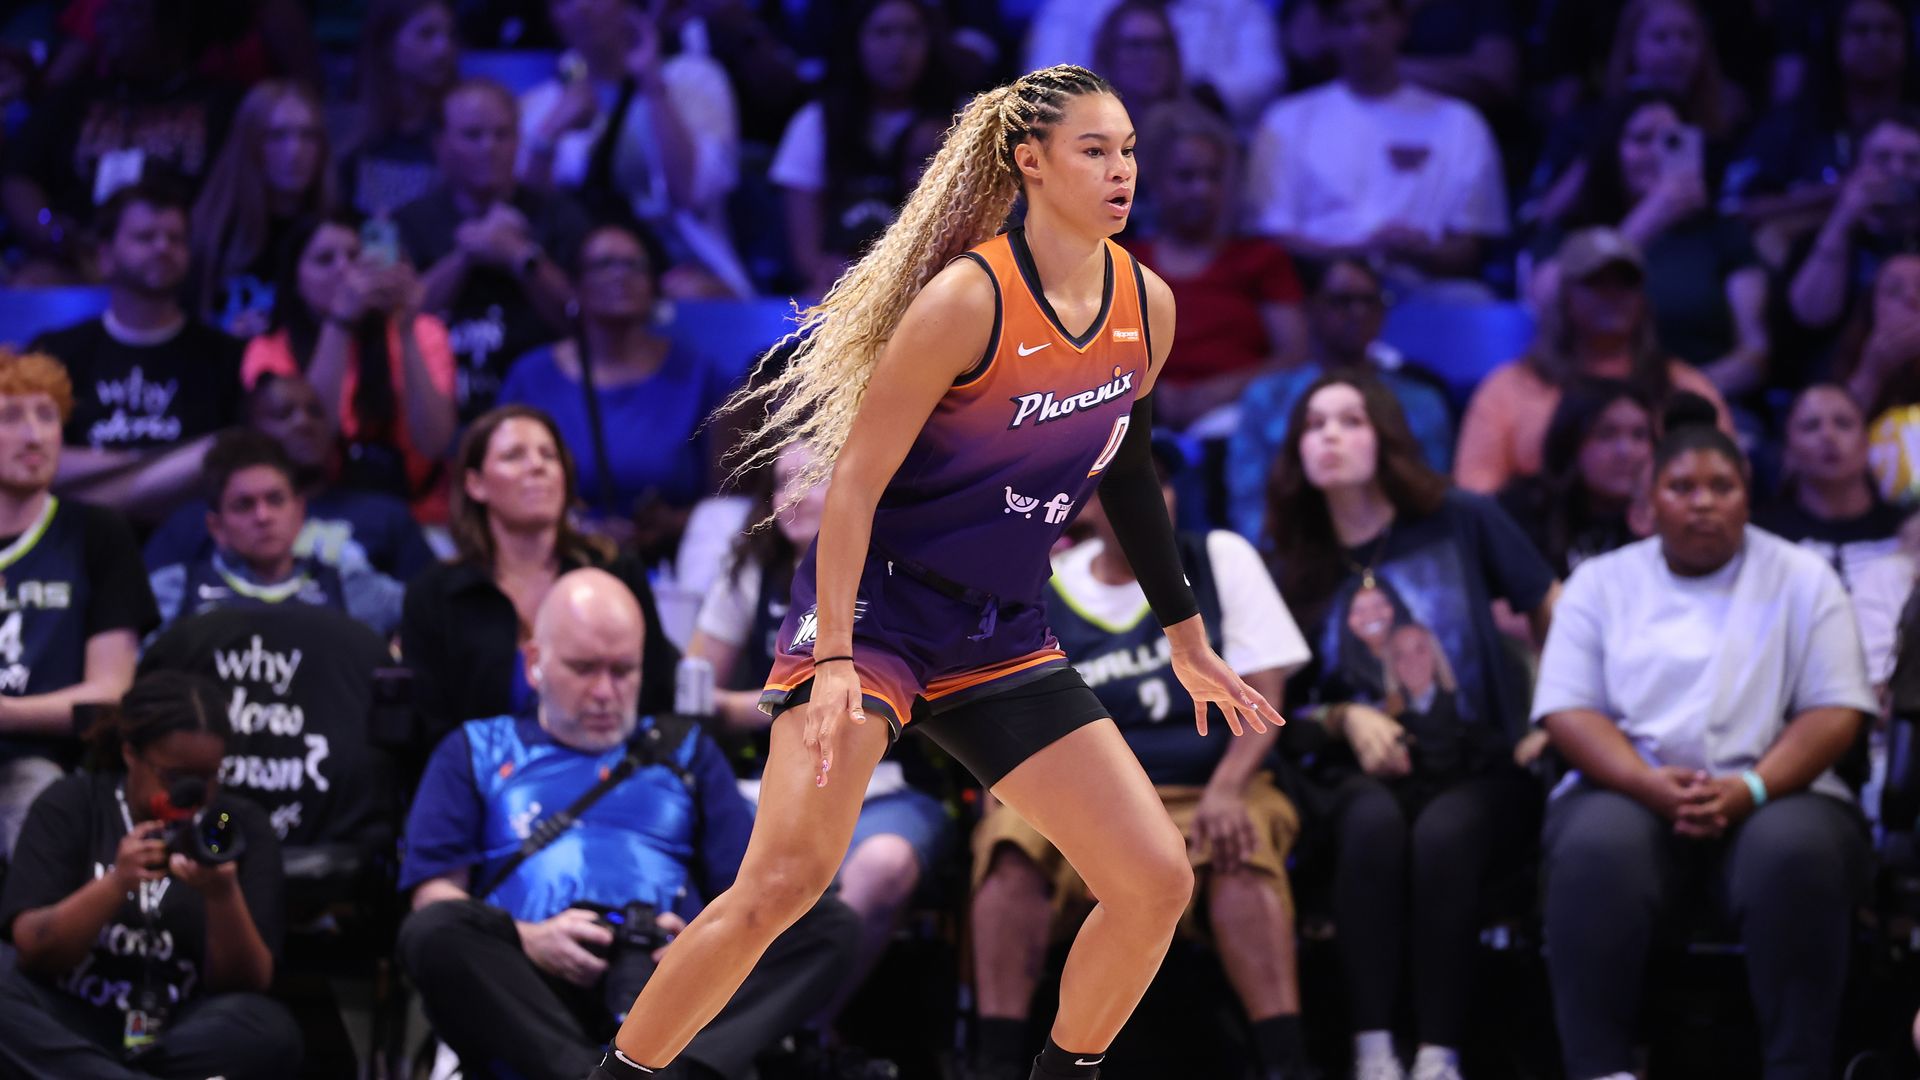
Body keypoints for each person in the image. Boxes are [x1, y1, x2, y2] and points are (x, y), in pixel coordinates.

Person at [591, 65, 1282, 1080]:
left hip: (1000, 629)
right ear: (1030, 162)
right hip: (877, 617)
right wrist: (830, 661)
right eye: (1096, 150)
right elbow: (854, 491)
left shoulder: (1150, 304)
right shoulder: (968, 301)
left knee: (1153, 881)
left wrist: (1186, 637)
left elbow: (1127, 468)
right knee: (783, 880)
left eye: (1129, 149)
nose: (1123, 169)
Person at [398, 567, 859, 1080]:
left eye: (623, 671)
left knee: (827, 922)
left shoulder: (686, 750)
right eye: (583, 668)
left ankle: (667, 1071)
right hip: (533, 985)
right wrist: (530, 937)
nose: (604, 692)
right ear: (535, 664)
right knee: (434, 931)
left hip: (668, 987)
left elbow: (753, 892)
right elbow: (434, 894)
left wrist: (695, 942)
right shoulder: (476, 748)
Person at [1534, 397, 1876, 1080]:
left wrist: (1750, 788)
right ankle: (1601, 1069)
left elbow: (1837, 708)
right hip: (1629, 783)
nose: (1703, 503)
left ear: (1749, 496)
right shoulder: (1600, 584)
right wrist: (1644, 784)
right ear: (1647, 502)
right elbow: (1569, 710)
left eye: (1722, 487)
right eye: (1682, 487)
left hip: (1780, 785)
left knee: (1795, 851)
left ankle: (1797, 1068)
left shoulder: (1804, 577)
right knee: (1595, 849)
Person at [970, 438, 1313, 1080]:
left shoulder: (1218, 558)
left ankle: (1286, 1063)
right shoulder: (1047, 580)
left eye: (1164, 482)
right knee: (1008, 843)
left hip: (1208, 784)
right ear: (1091, 501)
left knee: (1241, 843)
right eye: (1131, 484)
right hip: (1085, 804)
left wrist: (1229, 788)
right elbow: (1000, 701)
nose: (1155, 497)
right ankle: (993, 1063)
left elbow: (1266, 692)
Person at [1265, 371, 1558, 1080]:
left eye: (1351, 421)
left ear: (1388, 438)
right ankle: (1372, 1053)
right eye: (1314, 424)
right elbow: (1274, 707)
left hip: (1481, 765)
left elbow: (1556, 608)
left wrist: (1556, 715)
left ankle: (1438, 1053)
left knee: (1446, 832)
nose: (1330, 436)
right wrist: (1342, 715)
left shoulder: (1461, 519)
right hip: (1356, 774)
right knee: (1370, 824)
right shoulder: (1291, 564)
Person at [688, 441, 953, 1032]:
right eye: (782, 484)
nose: (792, 498)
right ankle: (726, 1032)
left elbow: (884, 704)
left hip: (883, 787)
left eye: (811, 479)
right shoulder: (749, 573)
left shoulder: (903, 576)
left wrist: (760, 704)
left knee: (883, 866)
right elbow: (695, 692)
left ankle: (785, 1032)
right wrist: (788, 706)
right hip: (759, 786)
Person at [0, 670, 298, 1079]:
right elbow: (34, 949)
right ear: (130, 754)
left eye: (209, 778)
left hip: (179, 1032)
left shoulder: (232, 821)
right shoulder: (73, 803)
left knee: (269, 1030)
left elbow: (248, 982)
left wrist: (222, 894)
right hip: (74, 1019)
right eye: (177, 779)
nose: (194, 795)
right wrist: (115, 884)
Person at [401, 406, 679, 759]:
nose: (537, 466)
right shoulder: (434, 594)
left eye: (548, 455)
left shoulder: (614, 572)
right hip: (480, 793)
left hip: (609, 778)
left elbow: (656, 697)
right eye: (514, 456)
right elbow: (429, 731)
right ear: (475, 484)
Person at [0, 350, 158, 858]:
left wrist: (6, 714)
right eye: (11, 417)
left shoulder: (96, 533)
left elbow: (110, 693)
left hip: (42, 760)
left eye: (47, 416)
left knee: (39, 806)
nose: (35, 435)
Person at [498, 224, 736, 549]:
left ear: (653, 283)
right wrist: (577, 530)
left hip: (673, 565)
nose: (620, 276)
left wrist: (672, 524)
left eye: (634, 265)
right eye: (604, 265)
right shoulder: (532, 378)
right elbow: (502, 492)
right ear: (576, 285)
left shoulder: (698, 376)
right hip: (556, 558)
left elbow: (730, 505)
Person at [1247, 0, 1508, 287]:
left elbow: (1470, 250)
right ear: (1327, 31)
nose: (1361, 36)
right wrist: (1363, 251)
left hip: (1425, 289)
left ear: (1402, 25)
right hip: (1316, 292)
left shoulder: (1459, 123)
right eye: (1345, 22)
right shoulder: (1286, 120)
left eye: (1374, 19)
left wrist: (1416, 250)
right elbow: (1270, 239)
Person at [1455, 226, 1732, 495]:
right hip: (1539, 535)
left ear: (1643, 298)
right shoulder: (1510, 387)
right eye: (1595, 282)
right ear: (1565, 296)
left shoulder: (1684, 388)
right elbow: (1477, 493)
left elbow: (1724, 483)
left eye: (1625, 283)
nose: (1612, 294)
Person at [28, 182, 245, 521]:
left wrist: (92, 474)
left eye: (176, 239)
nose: (163, 248)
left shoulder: (225, 355)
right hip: (76, 541)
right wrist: (171, 465)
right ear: (105, 256)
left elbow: (238, 459)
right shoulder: (56, 353)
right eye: (145, 237)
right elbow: (27, 455)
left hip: (193, 542)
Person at [1534, 91, 1769, 395]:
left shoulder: (1723, 234)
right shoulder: (1573, 233)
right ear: (1611, 149)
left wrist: (1681, 392)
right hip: (1585, 401)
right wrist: (1644, 223)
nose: (1657, 152)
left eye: (1671, 140)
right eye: (1642, 139)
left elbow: (1755, 352)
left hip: (1697, 403)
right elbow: (1546, 301)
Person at [519, 0, 749, 297]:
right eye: (565, 1)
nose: (582, 8)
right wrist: (550, 133)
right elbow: (530, 215)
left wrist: (653, 87)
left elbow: (688, 193)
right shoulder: (541, 105)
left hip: (680, 270)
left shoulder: (695, 80)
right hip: (578, 273)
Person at [241, 212, 459, 522]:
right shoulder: (268, 350)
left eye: (355, 255)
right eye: (325, 259)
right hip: (308, 514)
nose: (344, 269)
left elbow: (434, 442)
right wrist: (339, 324)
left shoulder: (422, 331)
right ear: (295, 279)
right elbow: (313, 442)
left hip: (419, 514)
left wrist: (406, 329)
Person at [0, 0, 235, 283]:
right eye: (110, 13)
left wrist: (184, 241)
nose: (108, 25)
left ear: (171, 26)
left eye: (130, 14)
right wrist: (52, 231)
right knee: (31, 284)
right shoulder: (73, 98)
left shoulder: (219, 105)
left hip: (181, 256)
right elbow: (19, 178)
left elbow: (234, 191)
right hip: (79, 256)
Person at [398, 77, 590, 421]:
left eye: (503, 134)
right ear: (441, 144)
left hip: (546, 409)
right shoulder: (410, 222)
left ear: (518, 141)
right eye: (473, 135)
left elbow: (583, 322)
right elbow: (400, 323)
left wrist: (521, 255)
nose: (490, 147)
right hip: (441, 406)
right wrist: (466, 254)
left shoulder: (559, 215)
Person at [1227, 257, 1455, 541]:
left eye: (1369, 301)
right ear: (1311, 309)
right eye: (1341, 301)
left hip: (1399, 551)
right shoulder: (1267, 398)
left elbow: (1432, 495)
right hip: (1292, 556)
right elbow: (1249, 508)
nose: (1358, 312)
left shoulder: (1423, 401)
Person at [142, 373, 437, 584]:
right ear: (249, 429)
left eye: (315, 412)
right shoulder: (198, 520)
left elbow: (430, 614)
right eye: (283, 414)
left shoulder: (386, 516)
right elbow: (148, 606)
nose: (303, 423)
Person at [1124, 101, 1307, 431]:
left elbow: (1295, 356)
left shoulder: (1262, 259)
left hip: (1240, 416)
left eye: (1213, 176)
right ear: (1154, 183)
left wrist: (1220, 390)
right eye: (1186, 176)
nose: (1202, 189)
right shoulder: (1121, 262)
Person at [769, 0, 958, 298]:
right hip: (839, 287)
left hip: (932, 283)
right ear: (856, 41)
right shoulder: (816, 123)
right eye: (883, 32)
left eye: (912, 33)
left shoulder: (958, 123)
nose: (899, 47)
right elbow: (806, 257)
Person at [148, 430, 406, 638]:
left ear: (300, 512)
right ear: (216, 526)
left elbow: (427, 609)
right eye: (244, 505)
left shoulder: (346, 586)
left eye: (275, 500)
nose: (263, 516)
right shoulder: (175, 590)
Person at [1755, 383, 1912, 686]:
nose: (1828, 436)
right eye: (1811, 426)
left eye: (1843, 424)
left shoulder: (1907, 530)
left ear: (1867, 444)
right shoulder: (1762, 535)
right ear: (1788, 449)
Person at [189, 80, 334, 336]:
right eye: (277, 136)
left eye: (308, 135)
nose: (294, 151)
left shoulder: (338, 235)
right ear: (250, 142)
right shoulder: (210, 232)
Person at [1021, 0, 1283, 128]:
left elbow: (1264, 76)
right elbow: (1043, 86)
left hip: (1203, 128)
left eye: (1160, 46)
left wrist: (1180, 105)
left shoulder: (1238, 7)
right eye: (1135, 47)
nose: (1149, 59)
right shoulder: (1070, 7)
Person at [1783, 112, 1920, 343]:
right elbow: (1811, 316)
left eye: (1912, 160)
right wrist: (1843, 219)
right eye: (1882, 158)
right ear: (1856, 167)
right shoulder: (1822, 234)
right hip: (1831, 369)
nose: (1897, 171)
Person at [1497, 379, 1656, 577]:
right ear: (1570, 442)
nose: (1625, 451)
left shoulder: (1667, 517)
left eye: (1639, 435)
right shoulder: (1522, 512)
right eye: (1606, 434)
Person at [339, 0, 459, 216]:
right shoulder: (350, 133)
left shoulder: (461, 129)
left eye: (449, 35)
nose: (443, 49)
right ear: (386, 44)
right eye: (426, 34)